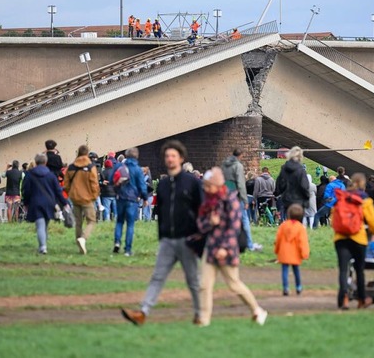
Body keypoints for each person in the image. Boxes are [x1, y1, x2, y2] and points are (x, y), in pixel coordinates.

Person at [121, 140, 202, 326]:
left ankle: (200, 314)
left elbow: (202, 208)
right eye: (167, 156)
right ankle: (142, 312)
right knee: (157, 276)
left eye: (173, 156)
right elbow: (161, 211)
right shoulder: (164, 184)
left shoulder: (192, 182)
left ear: (181, 158)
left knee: (193, 280)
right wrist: (161, 236)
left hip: (187, 239)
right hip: (167, 240)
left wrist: (199, 234)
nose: (170, 159)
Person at [196, 167, 268, 327]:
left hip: (227, 250)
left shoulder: (230, 200)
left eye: (209, 186)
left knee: (234, 284)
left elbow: (234, 227)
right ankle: (204, 320)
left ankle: (257, 310)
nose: (206, 189)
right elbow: (200, 224)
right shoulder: (207, 202)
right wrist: (210, 222)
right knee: (204, 285)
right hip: (211, 248)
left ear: (218, 184)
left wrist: (225, 248)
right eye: (205, 186)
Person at [334, 173, 374, 310]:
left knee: (343, 270)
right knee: (359, 270)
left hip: (341, 238)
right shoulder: (364, 199)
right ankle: (361, 299)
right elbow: (373, 222)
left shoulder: (342, 197)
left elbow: (334, 216)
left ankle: (344, 298)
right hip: (358, 237)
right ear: (363, 184)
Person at [22, 153, 68, 254]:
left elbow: (26, 190)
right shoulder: (50, 175)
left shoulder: (30, 174)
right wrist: (64, 203)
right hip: (49, 203)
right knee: (45, 224)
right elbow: (57, 191)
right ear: (46, 162)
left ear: (36, 161)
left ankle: (42, 246)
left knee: (40, 225)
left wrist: (26, 203)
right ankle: (44, 242)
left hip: (35, 202)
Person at [222, 149, 262, 251]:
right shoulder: (238, 166)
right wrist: (244, 200)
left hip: (225, 194)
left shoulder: (224, 164)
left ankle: (226, 243)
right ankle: (249, 244)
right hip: (236, 195)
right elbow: (240, 183)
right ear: (241, 155)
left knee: (226, 219)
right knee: (244, 219)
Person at [64, 145, 100, 255]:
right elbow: (94, 183)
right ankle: (83, 239)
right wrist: (94, 196)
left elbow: (66, 184)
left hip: (75, 197)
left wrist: (71, 193)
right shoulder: (90, 166)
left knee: (78, 222)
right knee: (91, 220)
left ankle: (80, 246)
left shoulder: (71, 167)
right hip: (87, 198)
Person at [112, 147, 148, 256]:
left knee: (119, 221)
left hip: (120, 197)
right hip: (132, 199)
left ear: (126, 155)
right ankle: (127, 250)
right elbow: (142, 185)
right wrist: (145, 198)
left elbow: (111, 179)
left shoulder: (119, 166)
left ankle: (117, 242)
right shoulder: (137, 169)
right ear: (137, 156)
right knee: (130, 225)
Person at [275, 204, 310, 296]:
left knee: (285, 271)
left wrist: (277, 250)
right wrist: (305, 254)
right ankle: (298, 287)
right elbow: (303, 242)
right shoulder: (300, 228)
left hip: (284, 252)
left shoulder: (283, 226)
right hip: (295, 253)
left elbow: (278, 239)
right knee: (296, 270)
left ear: (288, 214)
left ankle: (285, 288)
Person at [275, 146, 311, 219]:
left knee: (288, 220)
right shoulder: (301, 170)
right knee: (298, 224)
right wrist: (307, 196)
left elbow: (279, 185)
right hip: (299, 201)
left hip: (287, 200)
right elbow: (304, 186)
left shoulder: (284, 169)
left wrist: (278, 194)